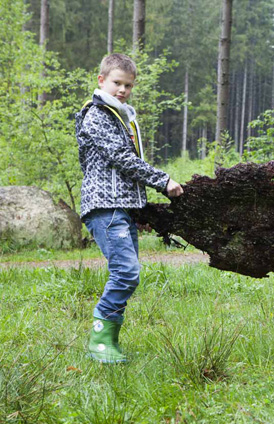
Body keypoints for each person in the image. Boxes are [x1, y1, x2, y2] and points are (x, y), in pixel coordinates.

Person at [75, 53, 184, 363]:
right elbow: (121, 159)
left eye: (128, 85)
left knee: (128, 273)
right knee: (126, 272)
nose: (122, 90)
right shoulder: (97, 114)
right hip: (104, 205)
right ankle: (99, 340)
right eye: (116, 83)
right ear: (101, 80)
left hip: (120, 206)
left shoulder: (120, 114)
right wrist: (163, 181)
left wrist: (139, 206)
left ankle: (109, 340)